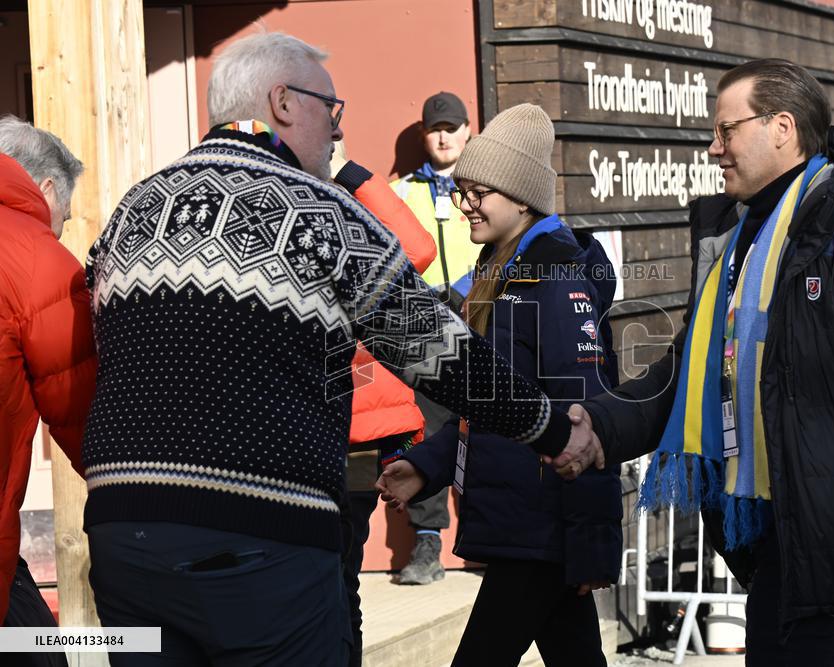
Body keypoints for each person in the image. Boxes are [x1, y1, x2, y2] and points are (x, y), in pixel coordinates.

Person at [82, 33, 576, 666]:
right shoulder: (319, 213)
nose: (336, 133)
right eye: (332, 111)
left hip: (124, 539)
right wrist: (553, 430)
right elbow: (438, 352)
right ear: (284, 102)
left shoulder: (132, 207)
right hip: (260, 543)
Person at [551, 59, 834, 666]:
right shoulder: (738, 241)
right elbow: (691, 368)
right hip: (774, 533)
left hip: (831, 537)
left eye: (727, 131)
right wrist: (599, 427)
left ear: (782, 126)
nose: (713, 148)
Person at [377, 104, 622, 667]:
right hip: (525, 524)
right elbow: (490, 402)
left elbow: (583, 417)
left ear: (521, 197)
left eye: (477, 192)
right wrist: (429, 464)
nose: (464, 205)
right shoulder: (499, 271)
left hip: (539, 528)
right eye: (461, 190)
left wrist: (590, 545)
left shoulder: (555, 277)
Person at [335, 139, 436, 667]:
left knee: (342, 568)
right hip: (293, 430)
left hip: (358, 434)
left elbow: (417, 249)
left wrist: (350, 175)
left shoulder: (348, 207)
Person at [0, 115, 95, 667]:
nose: (61, 225)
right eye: (64, 210)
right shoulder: (38, 258)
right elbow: (79, 413)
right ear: (48, 189)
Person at [389, 91, 483, 584]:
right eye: (434, 128)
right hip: (421, 323)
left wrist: (470, 287)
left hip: (480, 317)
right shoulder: (399, 192)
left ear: (469, 130)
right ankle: (427, 545)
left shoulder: (486, 186)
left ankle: (487, 538)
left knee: (489, 423)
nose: (444, 136)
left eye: (452, 126)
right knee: (423, 429)